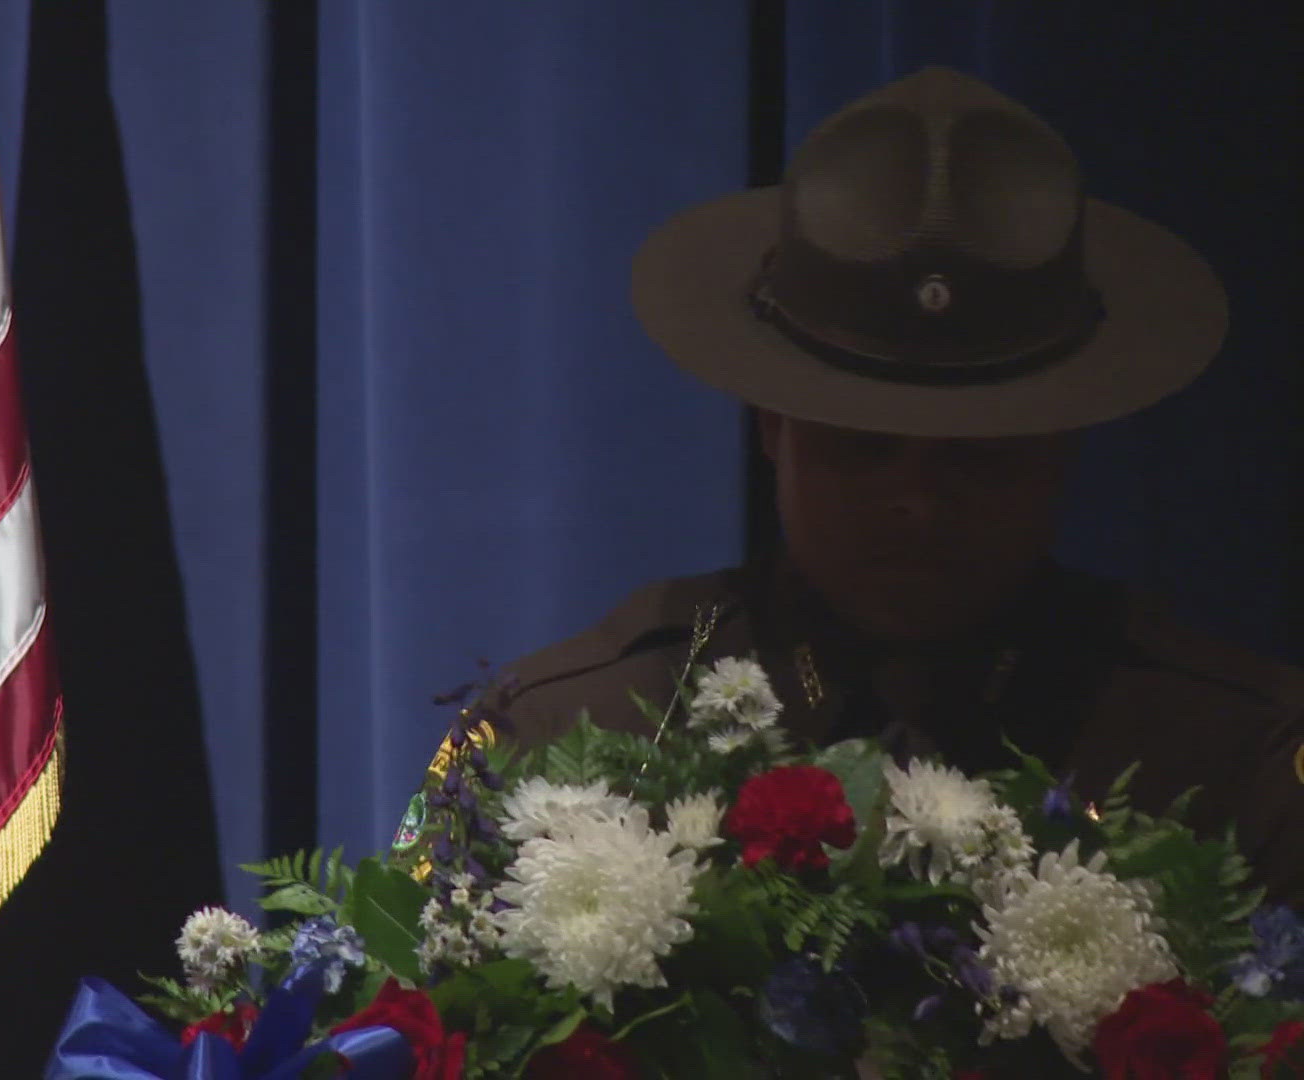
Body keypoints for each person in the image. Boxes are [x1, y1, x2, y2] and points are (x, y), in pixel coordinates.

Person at [473, 66, 1304, 903]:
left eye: (980, 452)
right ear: (773, 425)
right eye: (864, 446)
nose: (918, 498)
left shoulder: (1237, 754)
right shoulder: (567, 729)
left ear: (1064, 441)